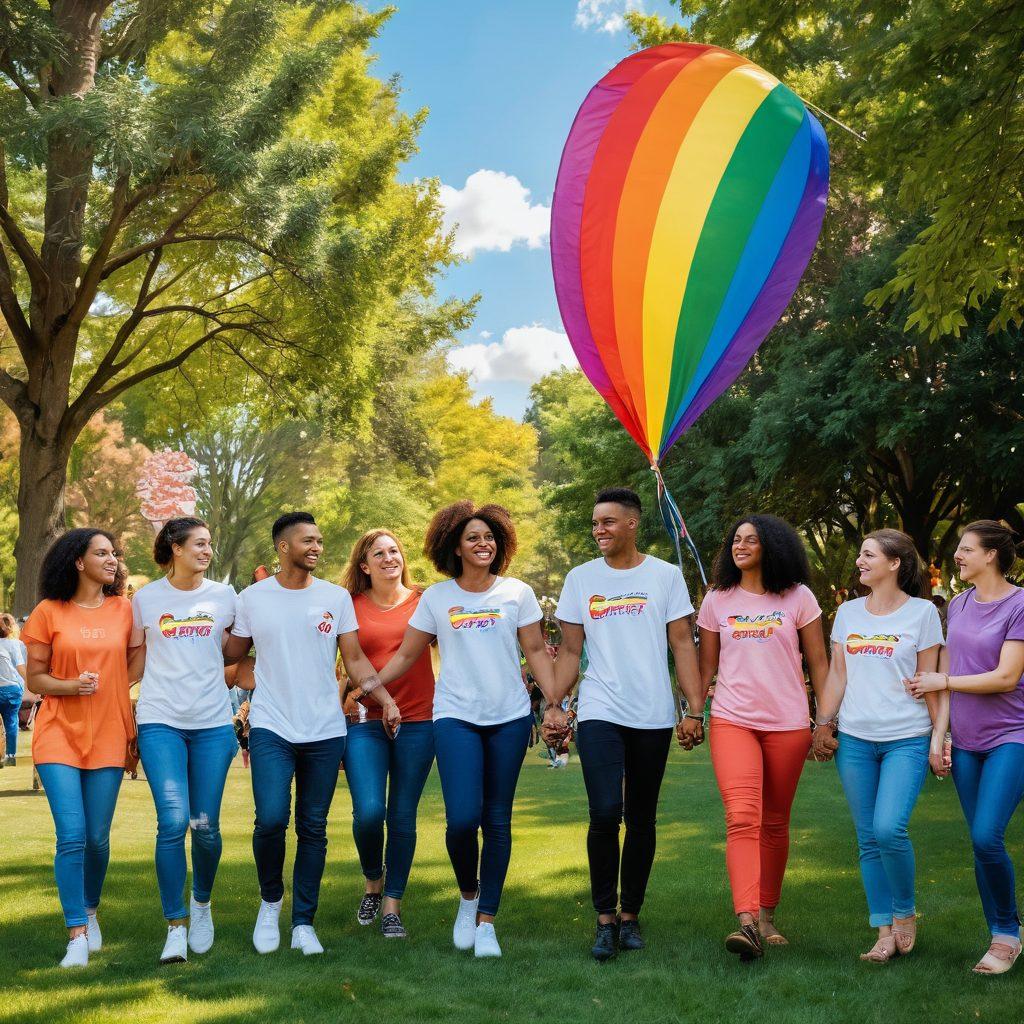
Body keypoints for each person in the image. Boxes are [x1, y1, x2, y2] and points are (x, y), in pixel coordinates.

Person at [377, 501, 557, 958]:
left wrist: (554, 701)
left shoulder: (517, 592)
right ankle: (468, 896)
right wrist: (370, 686)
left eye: (489, 537)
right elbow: (407, 654)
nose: (483, 544)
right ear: (454, 547)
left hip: (509, 717)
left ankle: (487, 922)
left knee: (497, 819)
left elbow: (536, 651)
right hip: (456, 716)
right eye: (473, 538)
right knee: (461, 820)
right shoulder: (437, 598)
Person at [223, 512, 400, 956]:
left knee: (313, 827)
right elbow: (231, 655)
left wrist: (384, 699)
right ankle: (270, 903)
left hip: (324, 729)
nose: (317, 547)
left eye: (319, 540)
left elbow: (354, 659)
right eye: (308, 540)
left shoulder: (334, 597)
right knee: (270, 819)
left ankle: (303, 922)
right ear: (284, 547)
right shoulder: (252, 599)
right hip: (272, 726)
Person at [542, 487, 702, 962]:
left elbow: (682, 644)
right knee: (605, 812)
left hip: (652, 712)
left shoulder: (665, 576)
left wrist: (694, 709)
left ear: (632, 523)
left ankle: (630, 915)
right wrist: (555, 704)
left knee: (641, 817)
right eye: (595, 523)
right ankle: (604, 918)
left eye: (607, 522)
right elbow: (571, 651)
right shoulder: (580, 578)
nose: (599, 530)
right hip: (600, 708)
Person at [695, 515, 829, 961]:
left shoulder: (798, 597)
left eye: (751, 540)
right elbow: (706, 666)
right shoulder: (717, 599)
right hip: (733, 720)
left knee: (774, 821)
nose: (740, 546)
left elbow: (819, 663)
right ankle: (748, 921)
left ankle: (768, 915)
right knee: (741, 816)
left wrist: (825, 721)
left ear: (772, 546)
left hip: (789, 723)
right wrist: (693, 712)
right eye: (736, 539)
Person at [811, 530, 946, 963]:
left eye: (868, 554)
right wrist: (823, 723)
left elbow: (931, 682)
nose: (859, 561)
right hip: (855, 740)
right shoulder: (848, 613)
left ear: (895, 563)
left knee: (889, 829)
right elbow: (838, 674)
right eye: (860, 554)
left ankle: (904, 912)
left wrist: (939, 738)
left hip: (906, 738)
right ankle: (883, 931)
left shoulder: (923, 613)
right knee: (868, 838)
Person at [907, 520, 1024, 975]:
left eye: (966, 548)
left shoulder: (1019, 604)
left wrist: (943, 681)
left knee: (985, 835)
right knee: (981, 843)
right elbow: (951, 673)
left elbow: (1006, 677)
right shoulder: (958, 604)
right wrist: (941, 735)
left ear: (991, 554)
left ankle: (1006, 934)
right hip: (967, 741)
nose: (957, 555)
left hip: (1011, 735)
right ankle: (1002, 931)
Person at [22, 529, 144, 968]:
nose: (112, 560)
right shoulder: (48, 611)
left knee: (96, 837)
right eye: (101, 553)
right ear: (78, 561)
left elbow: (135, 664)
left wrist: (113, 685)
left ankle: (90, 910)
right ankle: (76, 931)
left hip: (110, 731)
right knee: (72, 835)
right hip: (58, 732)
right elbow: (35, 678)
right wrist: (72, 685)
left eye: (114, 553)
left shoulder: (125, 609)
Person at [131, 517, 239, 963]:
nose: (207, 550)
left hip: (212, 724)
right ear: (175, 548)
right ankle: (175, 926)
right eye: (198, 543)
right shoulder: (145, 599)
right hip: (160, 721)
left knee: (205, 826)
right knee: (173, 822)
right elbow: (134, 661)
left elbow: (241, 651)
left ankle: (202, 904)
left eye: (209, 544)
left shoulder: (226, 597)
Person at [340, 530, 436, 939]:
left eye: (394, 550)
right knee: (369, 813)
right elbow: (349, 659)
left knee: (401, 816)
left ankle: (392, 906)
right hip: (365, 720)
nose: (388, 558)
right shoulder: (348, 605)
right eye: (377, 553)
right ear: (364, 565)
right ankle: (372, 883)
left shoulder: (425, 601)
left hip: (419, 720)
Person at [0, 612, 27, 766]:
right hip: (11, 689)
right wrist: (32, 684)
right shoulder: (15, 644)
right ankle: (10, 756)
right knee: (11, 722)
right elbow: (21, 667)